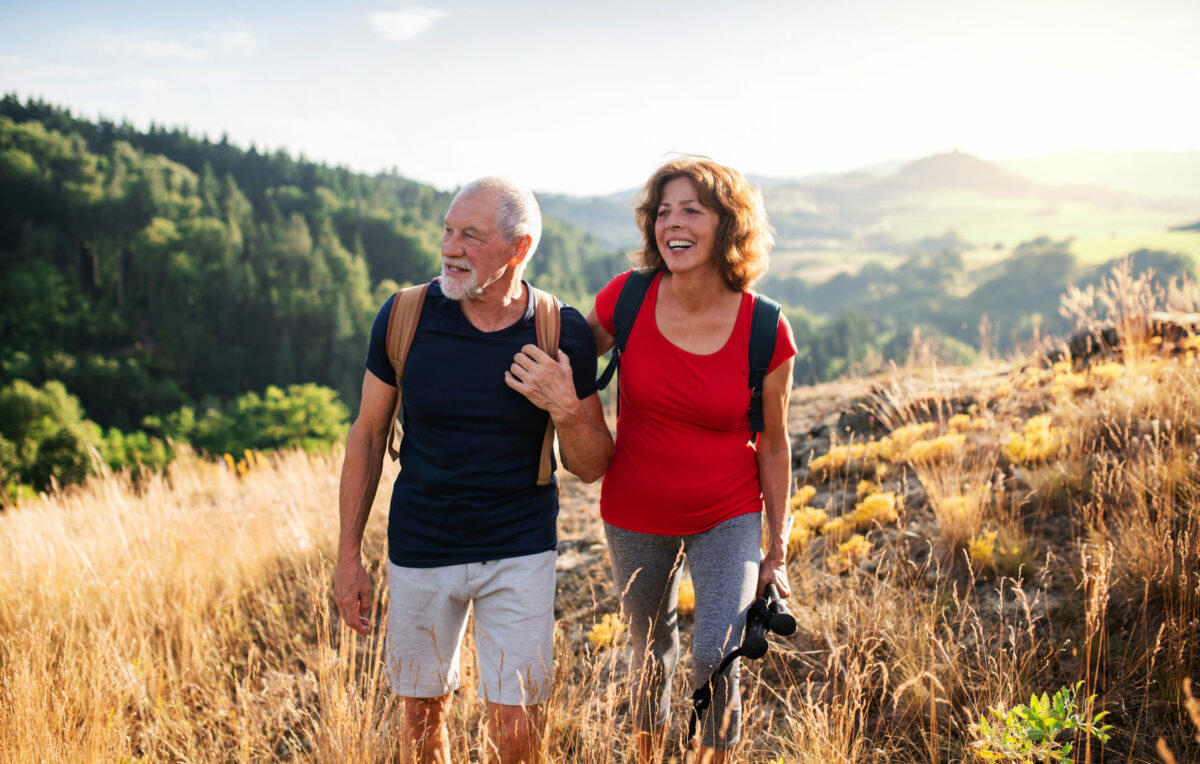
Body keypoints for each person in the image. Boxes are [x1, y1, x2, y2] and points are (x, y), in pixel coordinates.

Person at [334, 177, 613, 764]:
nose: (448, 247)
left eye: (469, 235)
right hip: (419, 547)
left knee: (515, 730)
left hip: (519, 549)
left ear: (519, 248)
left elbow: (591, 466)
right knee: (421, 720)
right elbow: (367, 433)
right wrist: (347, 553)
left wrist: (564, 405)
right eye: (447, 230)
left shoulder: (561, 331)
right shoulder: (405, 315)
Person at [585, 157, 796, 764]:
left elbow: (775, 444)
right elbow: (564, 358)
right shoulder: (627, 298)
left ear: (727, 226)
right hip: (634, 511)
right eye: (662, 211)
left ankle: (713, 756)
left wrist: (774, 548)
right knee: (650, 654)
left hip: (727, 513)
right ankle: (646, 755)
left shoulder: (766, 328)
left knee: (717, 651)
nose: (671, 223)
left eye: (691, 210)